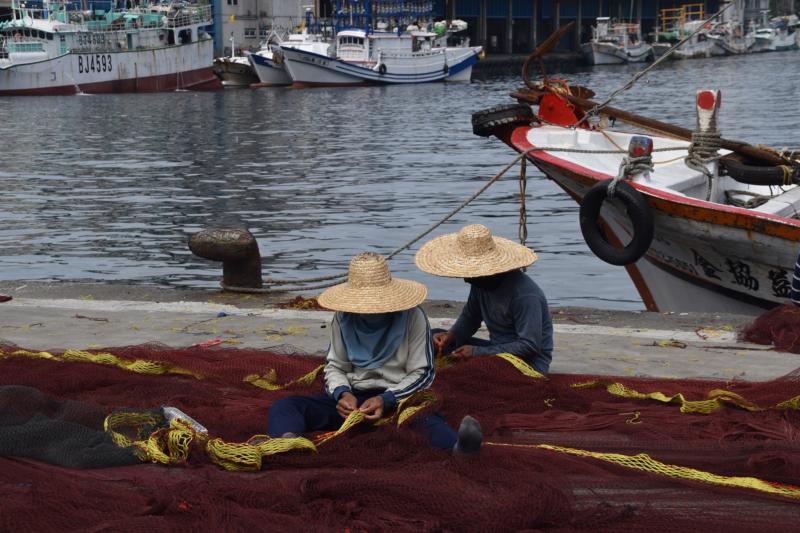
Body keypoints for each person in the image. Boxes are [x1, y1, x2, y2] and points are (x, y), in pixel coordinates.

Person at [267, 252, 482, 454]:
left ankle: (459, 449)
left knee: (425, 420)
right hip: (354, 402)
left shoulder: (413, 317)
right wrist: (342, 394)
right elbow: (335, 366)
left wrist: (385, 399)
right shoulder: (343, 318)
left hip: (399, 400)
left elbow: (423, 373)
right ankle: (288, 442)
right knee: (287, 406)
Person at [415, 224, 553, 374]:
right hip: (496, 351)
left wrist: (477, 352)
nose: (466, 280)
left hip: (528, 364)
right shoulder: (481, 284)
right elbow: (470, 317)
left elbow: (529, 346)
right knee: (431, 338)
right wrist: (450, 336)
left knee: (471, 371)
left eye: (472, 275)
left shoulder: (525, 296)